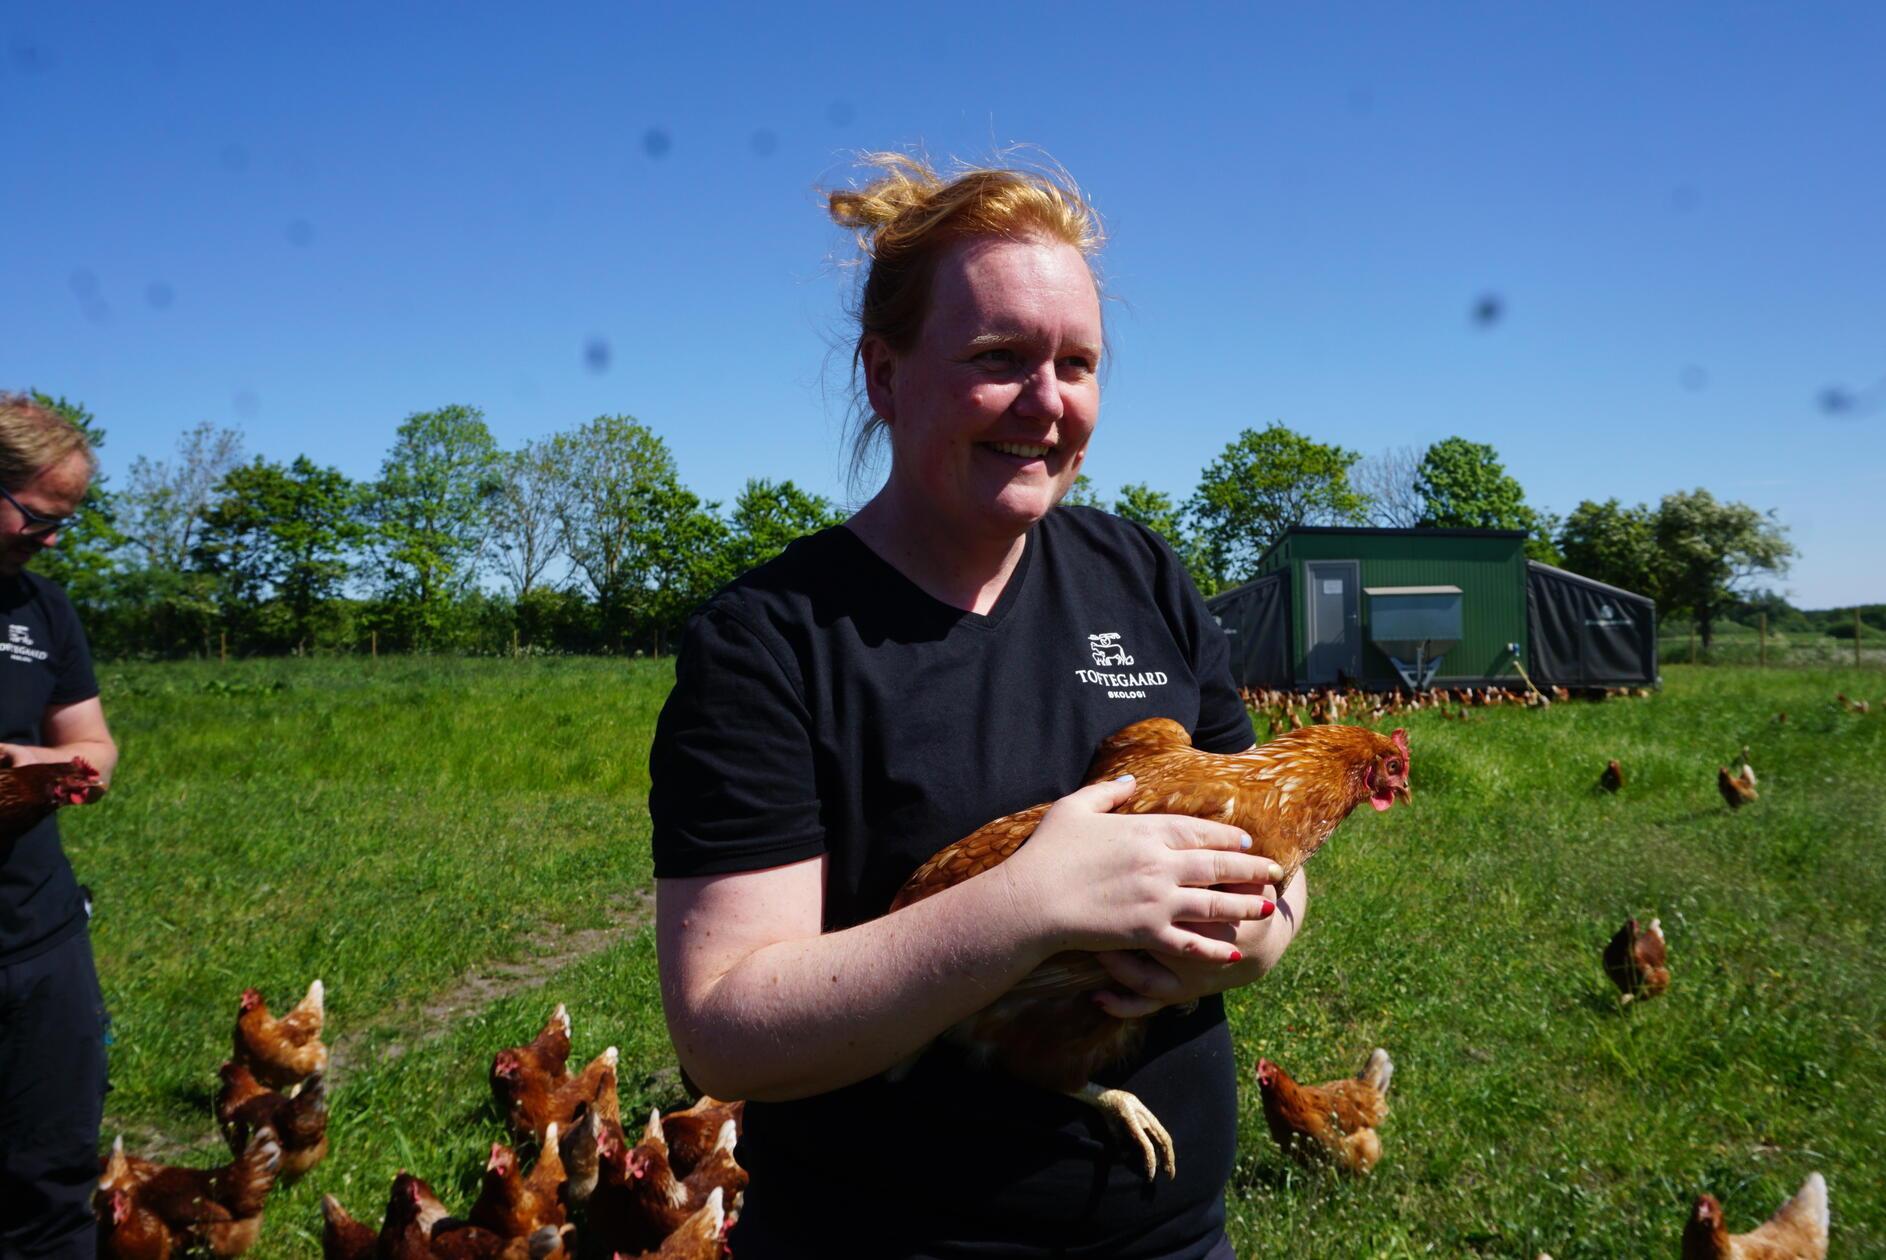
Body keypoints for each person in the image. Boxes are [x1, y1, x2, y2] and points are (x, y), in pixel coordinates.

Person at [649, 155, 1305, 1258]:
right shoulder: (771, 640)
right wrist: (1025, 909)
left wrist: (1241, 946)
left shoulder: (1142, 576)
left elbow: (1273, 872)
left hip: (1172, 1238)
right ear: (883, 374)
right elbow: (724, 1032)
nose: (1046, 403)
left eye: (1077, 364)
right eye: (997, 359)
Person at [0, 392, 119, 1259]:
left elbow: (90, 735)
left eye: (66, 522)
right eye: (39, 516)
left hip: (36, 930)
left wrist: (77, 772)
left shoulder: (42, 612)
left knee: (53, 1175)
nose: (51, 539)